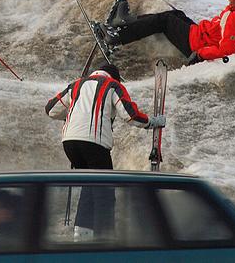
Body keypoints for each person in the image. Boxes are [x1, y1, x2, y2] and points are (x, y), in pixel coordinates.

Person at [45, 64, 164, 236]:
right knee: (104, 192)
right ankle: (105, 238)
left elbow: (50, 109)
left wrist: (74, 112)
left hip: (70, 144)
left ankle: (82, 235)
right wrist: (152, 122)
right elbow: (130, 115)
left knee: (90, 186)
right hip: (94, 143)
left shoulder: (76, 84)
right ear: (114, 77)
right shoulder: (112, 85)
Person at [95, 0, 235, 64]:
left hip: (195, 45)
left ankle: (117, 36)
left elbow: (228, 49)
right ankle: (125, 22)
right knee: (176, 14)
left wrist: (200, 54)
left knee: (165, 20)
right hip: (201, 34)